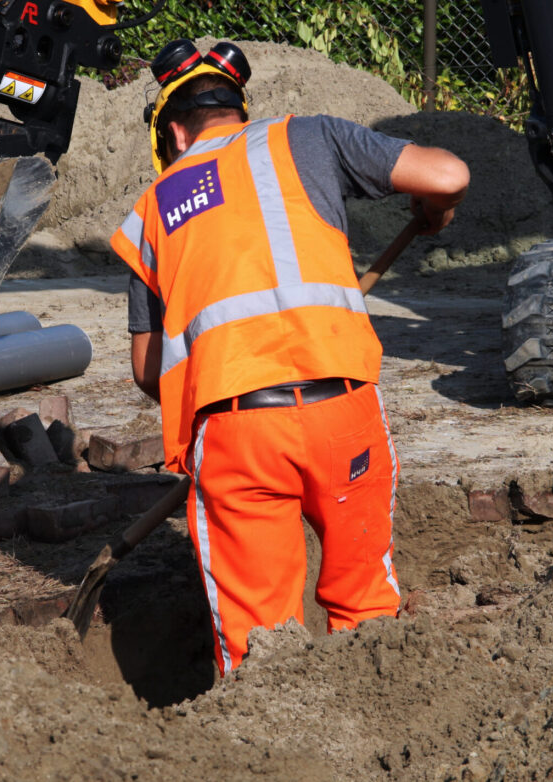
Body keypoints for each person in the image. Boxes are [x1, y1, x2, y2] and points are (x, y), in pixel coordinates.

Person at [109, 39, 469, 675]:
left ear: (173, 132)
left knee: (260, 656)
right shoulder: (305, 139)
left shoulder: (153, 208)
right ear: (237, 112)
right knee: (366, 616)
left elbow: (147, 371)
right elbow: (448, 176)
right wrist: (433, 211)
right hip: (344, 417)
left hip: (237, 433)